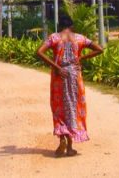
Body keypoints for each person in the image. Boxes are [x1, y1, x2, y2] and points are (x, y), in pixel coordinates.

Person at [36, 13, 104, 157]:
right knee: (73, 106)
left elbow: (39, 52)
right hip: (74, 75)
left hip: (59, 76)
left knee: (59, 106)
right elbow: (100, 49)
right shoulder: (80, 38)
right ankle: (70, 147)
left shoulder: (54, 37)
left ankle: (62, 139)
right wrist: (81, 57)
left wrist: (56, 67)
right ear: (71, 26)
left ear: (60, 25)